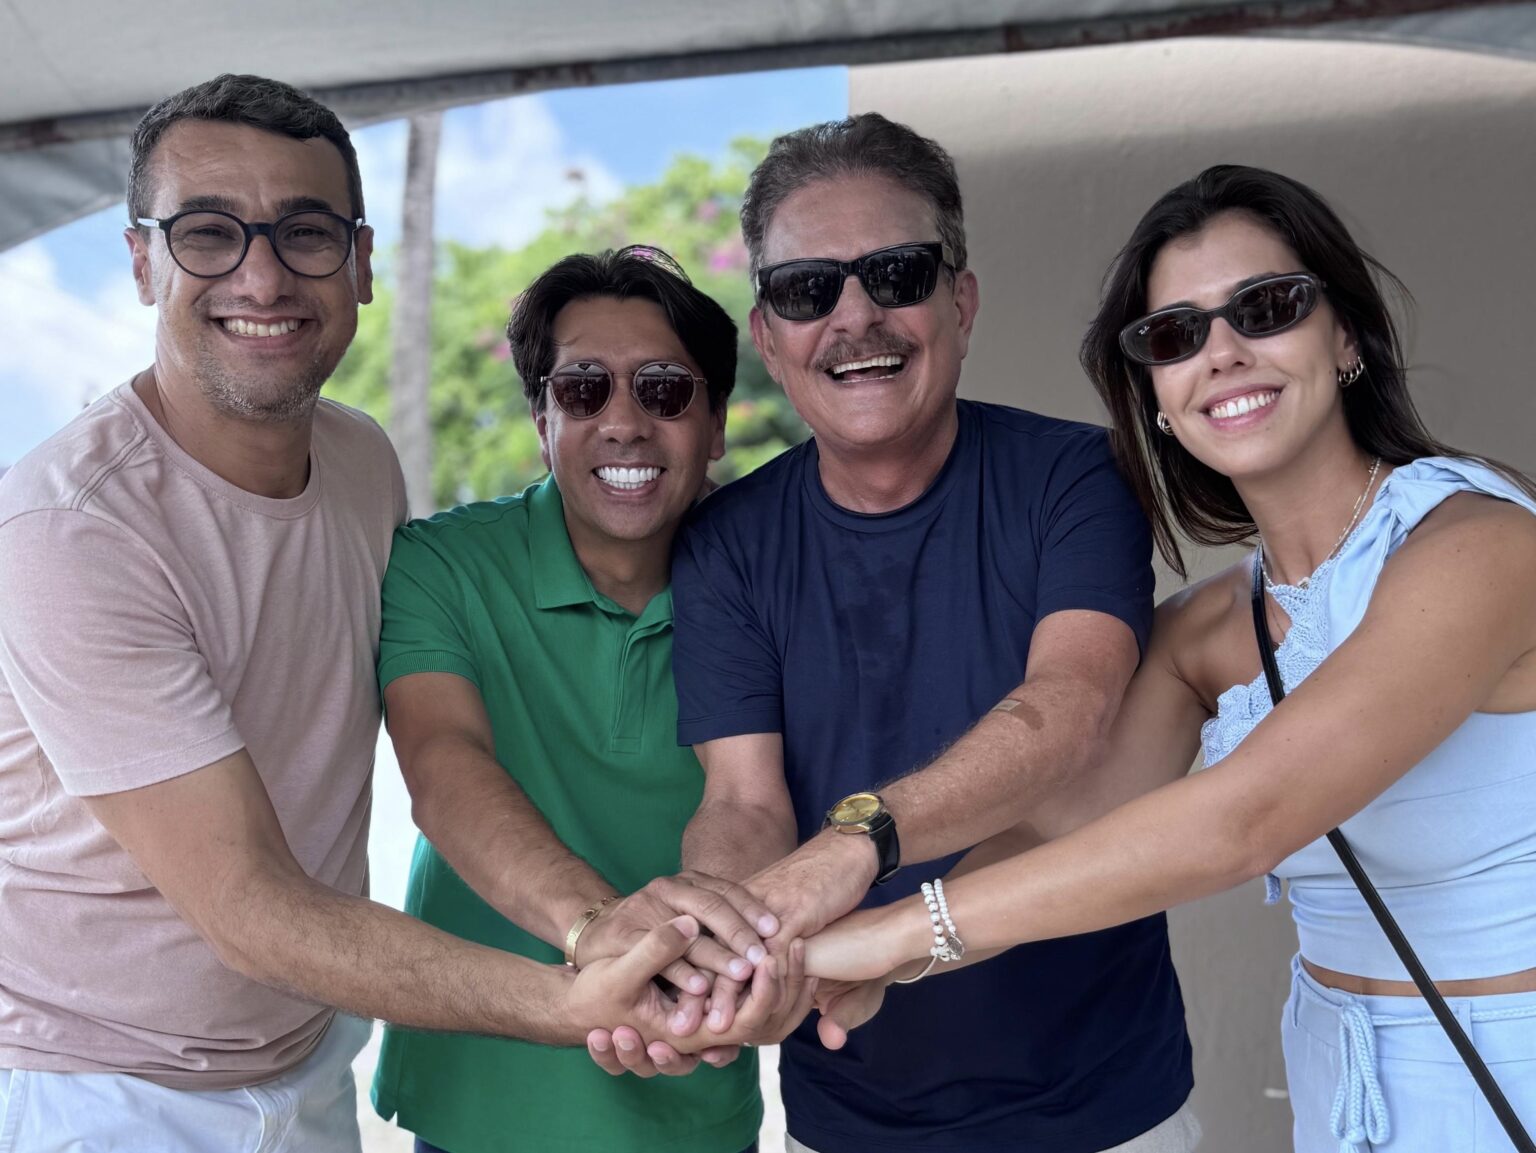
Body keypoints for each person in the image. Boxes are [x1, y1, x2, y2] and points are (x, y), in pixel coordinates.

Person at [0, 75, 785, 1153]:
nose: (263, 275)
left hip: (306, 1062)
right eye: (208, 233)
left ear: (361, 262)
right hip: (104, 1089)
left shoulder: (361, 461)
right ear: (142, 261)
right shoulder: (71, 529)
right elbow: (253, 898)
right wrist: (580, 977)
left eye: (306, 232)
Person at [803, 164, 1536, 1153]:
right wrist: (867, 952)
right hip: (1342, 1071)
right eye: (1175, 335)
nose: (1221, 354)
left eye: (1266, 308)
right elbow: (1055, 827)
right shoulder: (1206, 630)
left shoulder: (1480, 545)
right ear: (1153, 393)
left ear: (1347, 337)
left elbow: (1245, 819)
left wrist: (900, 932)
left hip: (1509, 1061)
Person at [600, 113, 1198, 1153]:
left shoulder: (1078, 476)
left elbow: (1071, 711)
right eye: (808, 289)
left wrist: (858, 843)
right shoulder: (727, 542)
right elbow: (743, 802)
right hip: (848, 1112)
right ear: (769, 337)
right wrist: (722, 944)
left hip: (1109, 1111)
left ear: (960, 302)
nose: (855, 316)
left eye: (897, 273)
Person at [370, 246, 808, 1153]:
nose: (623, 423)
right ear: (543, 421)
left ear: (717, 424)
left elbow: (756, 800)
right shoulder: (442, 564)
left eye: (664, 391)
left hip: (691, 1082)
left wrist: (700, 964)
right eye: (582, 390)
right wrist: (603, 929)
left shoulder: (777, 583)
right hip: (477, 1094)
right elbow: (445, 768)